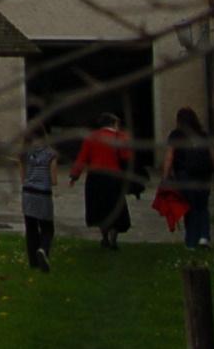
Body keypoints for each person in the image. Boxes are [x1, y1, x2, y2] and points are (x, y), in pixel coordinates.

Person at [68, 112, 135, 249]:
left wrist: (74, 175)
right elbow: (127, 158)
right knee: (116, 208)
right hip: (113, 177)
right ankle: (114, 240)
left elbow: (82, 158)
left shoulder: (91, 137)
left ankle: (104, 237)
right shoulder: (121, 137)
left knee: (100, 208)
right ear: (114, 123)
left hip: (95, 177)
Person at [161, 105, 214, 248]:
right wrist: (213, 172)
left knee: (190, 207)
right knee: (202, 206)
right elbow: (212, 154)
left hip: (185, 174)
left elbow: (169, 156)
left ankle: (191, 241)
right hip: (203, 175)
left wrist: (165, 176)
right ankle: (204, 237)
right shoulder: (202, 135)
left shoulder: (176, 135)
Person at [21, 125, 59, 271]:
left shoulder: (25, 153)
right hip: (43, 194)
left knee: (31, 228)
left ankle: (33, 262)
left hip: (28, 193)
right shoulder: (50, 154)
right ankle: (43, 249)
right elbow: (54, 180)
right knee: (47, 227)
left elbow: (23, 176)